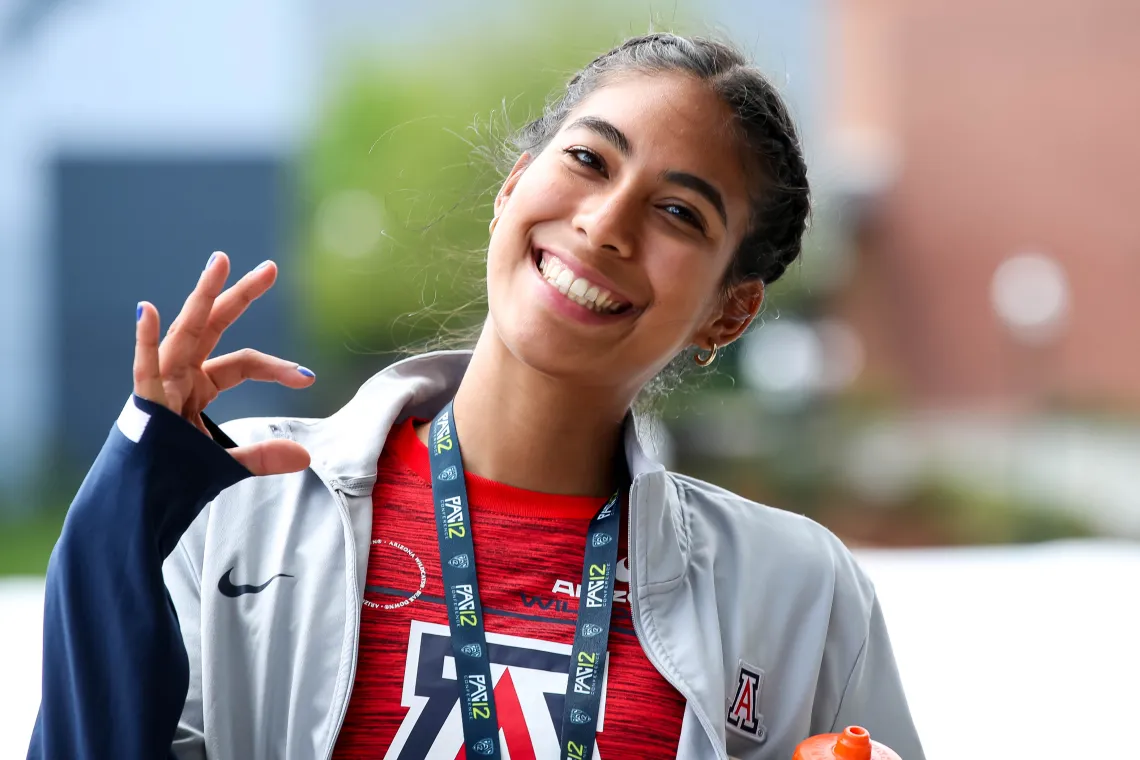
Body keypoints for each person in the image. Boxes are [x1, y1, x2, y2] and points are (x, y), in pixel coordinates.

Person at [27, 33, 924, 760]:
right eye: (587, 160)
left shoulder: (799, 594)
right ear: (510, 191)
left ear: (729, 313)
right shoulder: (232, 498)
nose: (605, 224)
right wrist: (121, 523)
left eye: (679, 213)